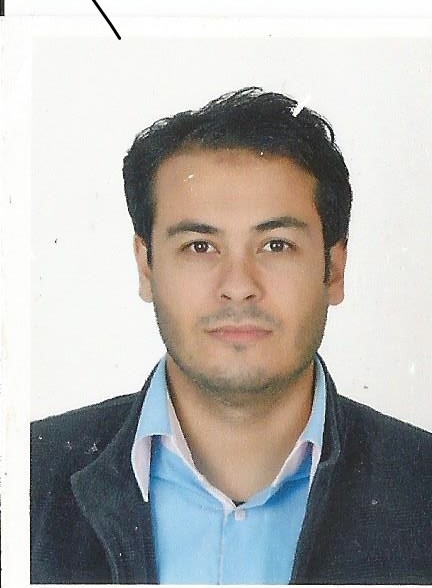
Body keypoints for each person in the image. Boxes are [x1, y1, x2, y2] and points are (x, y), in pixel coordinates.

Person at [31, 87, 432, 584]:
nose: (239, 286)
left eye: (276, 245)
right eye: (200, 246)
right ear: (146, 267)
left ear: (334, 269)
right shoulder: (25, 475)